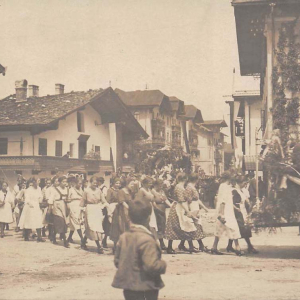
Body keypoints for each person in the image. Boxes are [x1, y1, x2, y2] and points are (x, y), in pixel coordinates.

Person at [112, 200, 167, 300]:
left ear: (130, 217)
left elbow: (117, 261)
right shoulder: (147, 239)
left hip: (129, 287)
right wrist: (162, 265)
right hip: (146, 286)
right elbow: (151, 266)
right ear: (148, 218)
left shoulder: (124, 237)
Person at [164, 173, 199, 254]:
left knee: (187, 225)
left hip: (181, 207)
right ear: (185, 179)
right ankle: (170, 247)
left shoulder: (180, 187)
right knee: (177, 227)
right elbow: (181, 201)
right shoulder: (179, 187)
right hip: (179, 208)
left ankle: (190, 246)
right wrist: (188, 211)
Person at [211, 172, 242, 255]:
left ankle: (214, 247)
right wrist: (222, 214)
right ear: (229, 179)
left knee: (219, 229)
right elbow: (223, 201)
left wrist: (235, 208)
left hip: (225, 210)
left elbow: (228, 201)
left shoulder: (224, 186)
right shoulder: (224, 187)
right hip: (226, 212)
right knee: (233, 228)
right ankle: (238, 248)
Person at [227, 175, 259, 254]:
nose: (245, 185)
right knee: (242, 229)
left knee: (240, 229)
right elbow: (232, 203)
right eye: (244, 183)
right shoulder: (234, 191)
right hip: (238, 213)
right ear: (240, 183)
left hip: (242, 212)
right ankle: (249, 246)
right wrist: (237, 210)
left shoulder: (240, 190)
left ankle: (229, 246)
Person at [180, 173, 210, 252]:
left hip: (195, 207)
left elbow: (197, 199)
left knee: (195, 226)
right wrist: (189, 211)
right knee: (193, 226)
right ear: (196, 180)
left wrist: (204, 207)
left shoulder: (192, 187)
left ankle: (183, 244)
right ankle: (198, 245)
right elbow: (188, 200)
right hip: (192, 207)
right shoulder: (189, 187)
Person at [80, 176, 108, 254]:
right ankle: (99, 246)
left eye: (96, 183)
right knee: (92, 227)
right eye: (94, 183)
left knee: (96, 227)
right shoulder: (86, 191)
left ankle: (83, 242)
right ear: (90, 182)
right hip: (90, 209)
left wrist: (104, 206)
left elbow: (103, 200)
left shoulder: (99, 191)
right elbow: (82, 202)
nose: (95, 184)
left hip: (97, 209)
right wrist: (80, 213)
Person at [110, 177, 136, 251]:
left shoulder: (131, 192)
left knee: (128, 228)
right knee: (119, 228)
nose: (133, 186)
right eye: (131, 184)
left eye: (133, 184)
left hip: (128, 212)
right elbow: (122, 202)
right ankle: (116, 247)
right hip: (120, 212)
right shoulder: (121, 191)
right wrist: (129, 208)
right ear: (127, 184)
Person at [18, 178, 45, 242]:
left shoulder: (39, 189)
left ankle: (39, 237)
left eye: (39, 181)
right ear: (33, 182)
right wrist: (30, 204)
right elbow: (27, 199)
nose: (38, 182)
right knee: (29, 221)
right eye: (37, 181)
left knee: (38, 221)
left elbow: (40, 196)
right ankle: (26, 236)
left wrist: (40, 199)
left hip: (36, 206)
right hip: (29, 206)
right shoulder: (28, 190)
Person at [50, 176, 70, 248]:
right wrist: (50, 209)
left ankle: (53, 236)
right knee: (61, 222)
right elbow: (51, 199)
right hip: (57, 206)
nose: (65, 183)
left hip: (64, 206)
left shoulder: (67, 189)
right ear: (59, 182)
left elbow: (68, 198)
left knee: (63, 222)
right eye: (63, 182)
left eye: (66, 182)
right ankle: (65, 241)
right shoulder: (55, 189)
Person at [151, 179, 171, 250]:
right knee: (158, 226)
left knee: (162, 225)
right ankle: (160, 243)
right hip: (156, 211)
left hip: (162, 210)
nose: (161, 187)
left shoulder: (161, 191)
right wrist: (158, 210)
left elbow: (165, 200)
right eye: (159, 185)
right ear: (155, 185)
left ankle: (161, 242)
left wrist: (171, 206)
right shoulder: (152, 192)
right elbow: (153, 203)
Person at [102, 177, 121, 248]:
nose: (118, 184)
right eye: (116, 183)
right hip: (111, 207)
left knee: (117, 225)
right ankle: (104, 240)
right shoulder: (110, 190)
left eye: (119, 183)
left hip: (118, 208)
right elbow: (108, 200)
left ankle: (115, 243)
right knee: (109, 225)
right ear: (113, 183)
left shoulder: (120, 190)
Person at [67, 177, 86, 249]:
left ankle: (69, 238)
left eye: (81, 183)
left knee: (73, 225)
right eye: (79, 183)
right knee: (76, 222)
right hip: (73, 206)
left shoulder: (81, 189)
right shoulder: (71, 190)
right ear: (75, 183)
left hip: (79, 207)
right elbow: (68, 199)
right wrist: (76, 198)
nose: (80, 185)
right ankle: (82, 239)